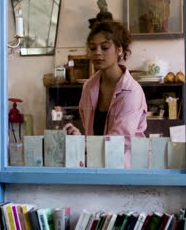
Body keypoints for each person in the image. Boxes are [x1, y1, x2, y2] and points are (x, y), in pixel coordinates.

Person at [63, 21, 147, 168]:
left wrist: (83, 143)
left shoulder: (132, 91)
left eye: (105, 47)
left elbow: (121, 141)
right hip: (95, 166)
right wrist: (76, 138)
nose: (97, 52)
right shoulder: (88, 87)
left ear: (119, 50)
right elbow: (89, 129)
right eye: (92, 48)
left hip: (126, 169)